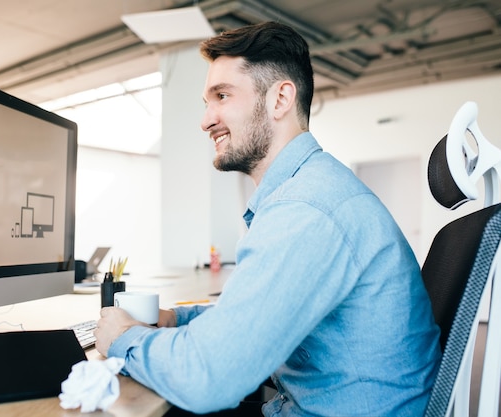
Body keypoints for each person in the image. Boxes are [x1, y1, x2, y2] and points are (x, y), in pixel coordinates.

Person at [94, 21, 441, 416]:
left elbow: (209, 377)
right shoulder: (310, 191)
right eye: (207, 102)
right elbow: (257, 316)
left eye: (222, 96)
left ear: (280, 100)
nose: (206, 120)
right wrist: (177, 318)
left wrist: (123, 336)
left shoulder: (306, 209)